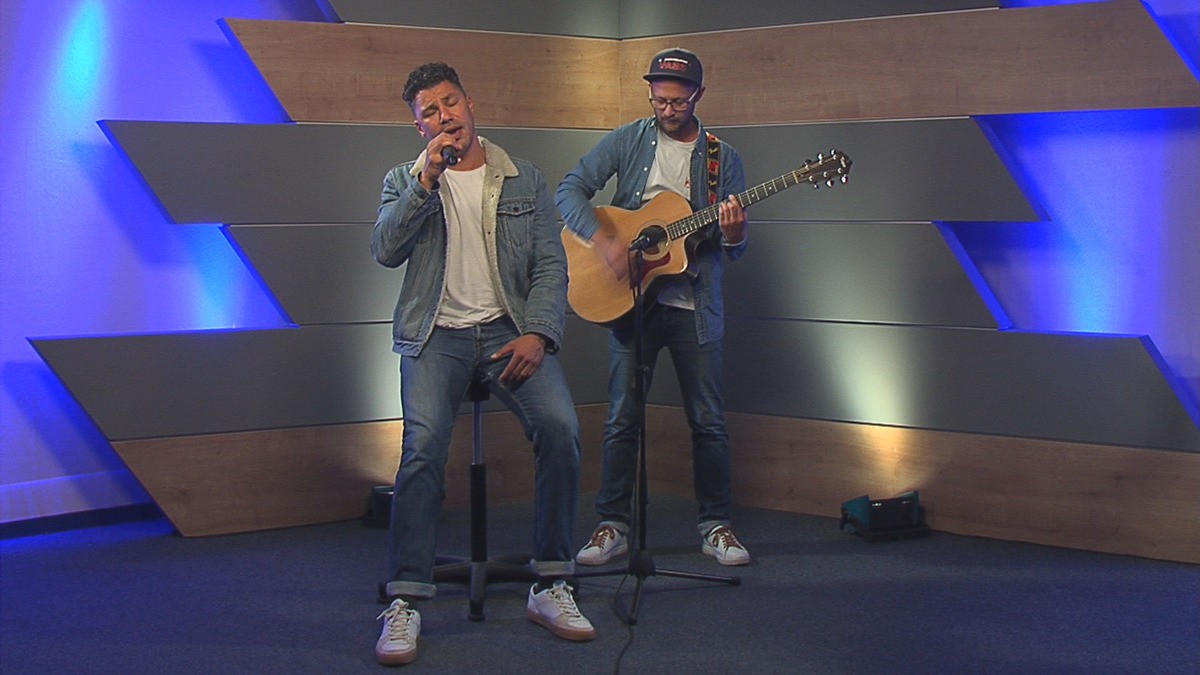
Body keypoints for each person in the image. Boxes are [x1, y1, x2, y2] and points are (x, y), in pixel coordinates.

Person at [371, 62, 594, 666]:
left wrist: (539, 334)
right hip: (434, 334)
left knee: (561, 428)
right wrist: (426, 181)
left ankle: (552, 583)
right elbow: (385, 250)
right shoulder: (404, 180)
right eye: (430, 112)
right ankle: (406, 598)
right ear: (420, 127)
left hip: (507, 331)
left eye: (451, 103)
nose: (445, 117)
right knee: (422, 447)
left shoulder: (524, 178)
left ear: (471, 104)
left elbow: (550, 265)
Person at [556, 48, 752, 568]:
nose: (667, 110)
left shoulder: (722, 158)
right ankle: (612, 525)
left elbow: (734, 247)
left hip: (694, 307)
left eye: (678, 101)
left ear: (699, 95)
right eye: (659, 100)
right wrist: (604, 239)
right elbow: (569, 190)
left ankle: (716, 526)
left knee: (708, 421)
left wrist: (735, 233)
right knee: (622, 418)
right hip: (632, 303)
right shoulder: (629, 139)